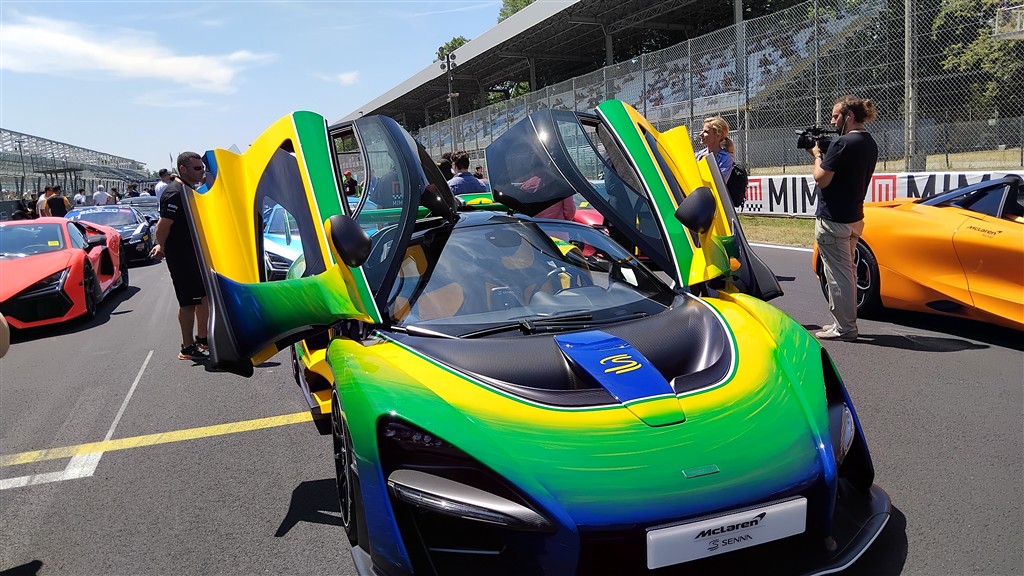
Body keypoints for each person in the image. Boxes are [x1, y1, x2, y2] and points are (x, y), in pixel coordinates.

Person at [809, 95, 878, 341]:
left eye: (835, 116)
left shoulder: (842, 144)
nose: (832, 121)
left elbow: (821, 179)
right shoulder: (869, 143)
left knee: (838, 275)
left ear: (849, 116)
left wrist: (817, 155)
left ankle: (846, 328)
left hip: (834, 219)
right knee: (847, 271)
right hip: (854, 217)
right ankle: (842, 322)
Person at [149, 151, 210, 360]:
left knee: (203, 298)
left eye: (202, 167)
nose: (202, 171)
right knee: (188, 303)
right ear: (183, 169)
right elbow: (163, 225)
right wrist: (161, 246)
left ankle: (203, 338)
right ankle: (187, 347)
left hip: (194, 255)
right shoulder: (174, 192)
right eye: (197, 168)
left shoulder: (189, 189)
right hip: (182, 257)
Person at [695, 116, 734, 182]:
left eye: (706, 132)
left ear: (718, 136)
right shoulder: (698, 155)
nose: (701, 134)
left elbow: (719, 182)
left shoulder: (725, 158)